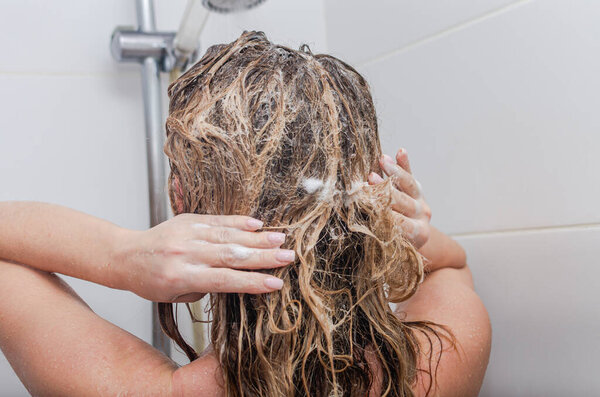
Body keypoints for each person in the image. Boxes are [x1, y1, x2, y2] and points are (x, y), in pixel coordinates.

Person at [0, 31, 490, 396]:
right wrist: (401, 233)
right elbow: (453, 264)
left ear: (181, 199)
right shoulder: (439, 365)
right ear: (365, 195)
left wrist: (121, 256)